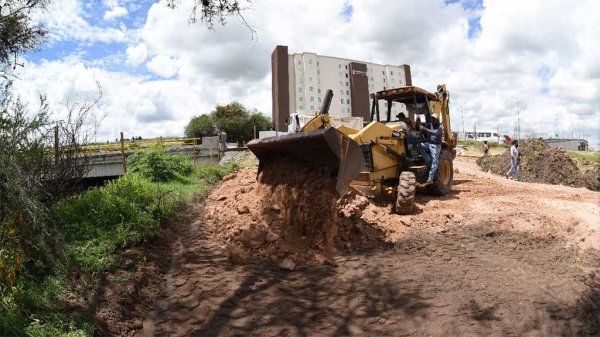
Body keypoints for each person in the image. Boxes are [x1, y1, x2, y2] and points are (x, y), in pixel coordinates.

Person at [420, 117, 443, 183]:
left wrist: (425, 129)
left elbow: (434, 133)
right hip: (429, 143)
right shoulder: (430, 125)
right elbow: (424, 125)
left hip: (436, 145)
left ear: (437, 120)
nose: (432, 120)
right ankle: (428, 159)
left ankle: (430, 178)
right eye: (432, 118)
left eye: (434, 119)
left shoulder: (440, 127)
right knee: (419, 145)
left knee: (435, 162)